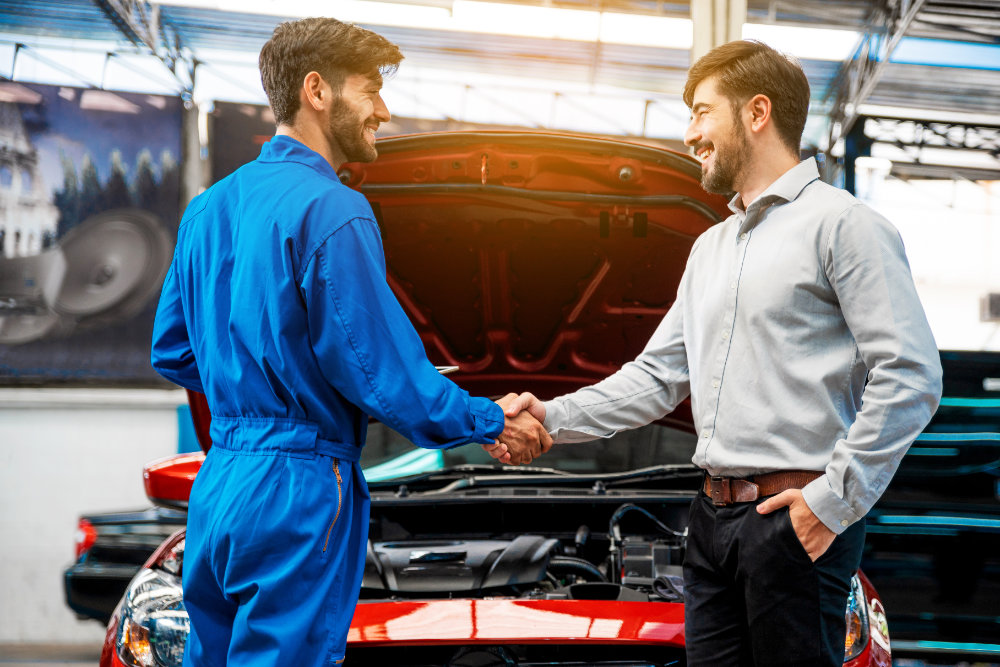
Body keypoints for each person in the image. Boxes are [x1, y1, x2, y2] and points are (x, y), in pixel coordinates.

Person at [488, 39, 942, 666]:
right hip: (710, 523)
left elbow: (912, 375)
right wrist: (549, 417)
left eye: (702, 112)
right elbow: (656, 377)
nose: (691, 133)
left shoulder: (845, 226)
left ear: (757, 112)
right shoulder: (710, 248)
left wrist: (831, 503)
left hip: (793, 518)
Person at [150, 17, 551, 667]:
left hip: (221, 484)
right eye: (371, 90)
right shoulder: (331, 208)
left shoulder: (207, 209)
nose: (384, 111)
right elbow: (379, 371)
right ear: (318, 90)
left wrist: (250, 381)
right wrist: (487, 417)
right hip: (297, 486)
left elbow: (171, 349)